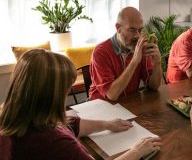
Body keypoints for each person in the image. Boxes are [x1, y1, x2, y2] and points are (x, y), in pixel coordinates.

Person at [0, 49, 161, 160]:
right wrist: (136, 151)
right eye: (66, 89)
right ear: (52, 95)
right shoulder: (55, 142)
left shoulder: (16, 116)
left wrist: (106, 124)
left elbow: (69, 124)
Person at [89, 7, 162, 101]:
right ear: (118, 28)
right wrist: (134, 62)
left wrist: (157, 63)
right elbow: (112, 95)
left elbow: (154, 86)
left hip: (128, 103)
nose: (137, 36)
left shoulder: (140, 46)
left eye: (140, 30)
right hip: (101, 106)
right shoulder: (100, 52)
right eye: (132, 30)